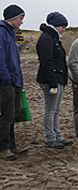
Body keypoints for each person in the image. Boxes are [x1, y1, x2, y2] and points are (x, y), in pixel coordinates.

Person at [36, 12, 73, 149]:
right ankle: (50, 137)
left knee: (56, 110)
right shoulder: (46, 38)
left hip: (58, 79)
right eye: (63, 26)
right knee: (50, 110)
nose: (64, 29)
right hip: (50, 80)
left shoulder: (54, 38)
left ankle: (57, 134)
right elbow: (47, 62)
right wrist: (52, 82)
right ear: (56, 25)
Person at [0, 4, 28, 160]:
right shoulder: (1, 32)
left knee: (13, 115)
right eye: (20, 18)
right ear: (12, 18)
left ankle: (11, 145)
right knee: (6, 116)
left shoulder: (11, 33)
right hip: (6, 83)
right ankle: (3, 147)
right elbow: (1, 59)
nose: (22, 22)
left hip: (15, 81)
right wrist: (6, 79)